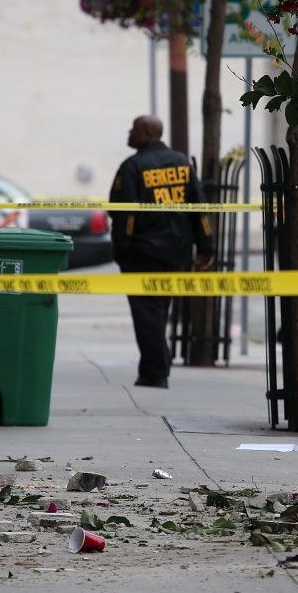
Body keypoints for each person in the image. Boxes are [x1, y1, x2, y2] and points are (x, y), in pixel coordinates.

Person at [109, 115, 215, 389]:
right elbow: (199, 208)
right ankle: (154, 368)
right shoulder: (182, 163)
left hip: (142, 252)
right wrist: (206, 247)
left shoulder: (133, 166)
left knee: (146, 313)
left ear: (146, 133)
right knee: (157, 311)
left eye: (133, 128)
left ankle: (156, 372)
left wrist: (123, 248)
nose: (129, 132)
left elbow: (123, 212)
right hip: (177, 252)